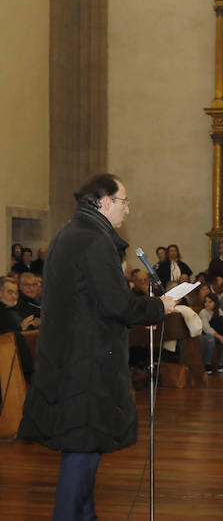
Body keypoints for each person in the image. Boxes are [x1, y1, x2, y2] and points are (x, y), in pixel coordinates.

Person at [18, 173, 175, 520]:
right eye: (124, 201)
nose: (128, 209)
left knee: (83, 449)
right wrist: (159, 307)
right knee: (82, 453)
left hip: (70, 359)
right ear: (105, 202)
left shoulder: (69, 234)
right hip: (85, 366)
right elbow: (116, 304)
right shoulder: (93, 241)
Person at [198, 293, 223, 374]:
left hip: (218, 333)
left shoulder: (219, 311)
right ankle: (207, 364)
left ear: (215, 303)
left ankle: (222, 364)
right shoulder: (203, 312)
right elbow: (206, 328)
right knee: (210, 339)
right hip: (205, 335)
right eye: (205, 302)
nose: (207, 304)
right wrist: (220, 337)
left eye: (210, 302)